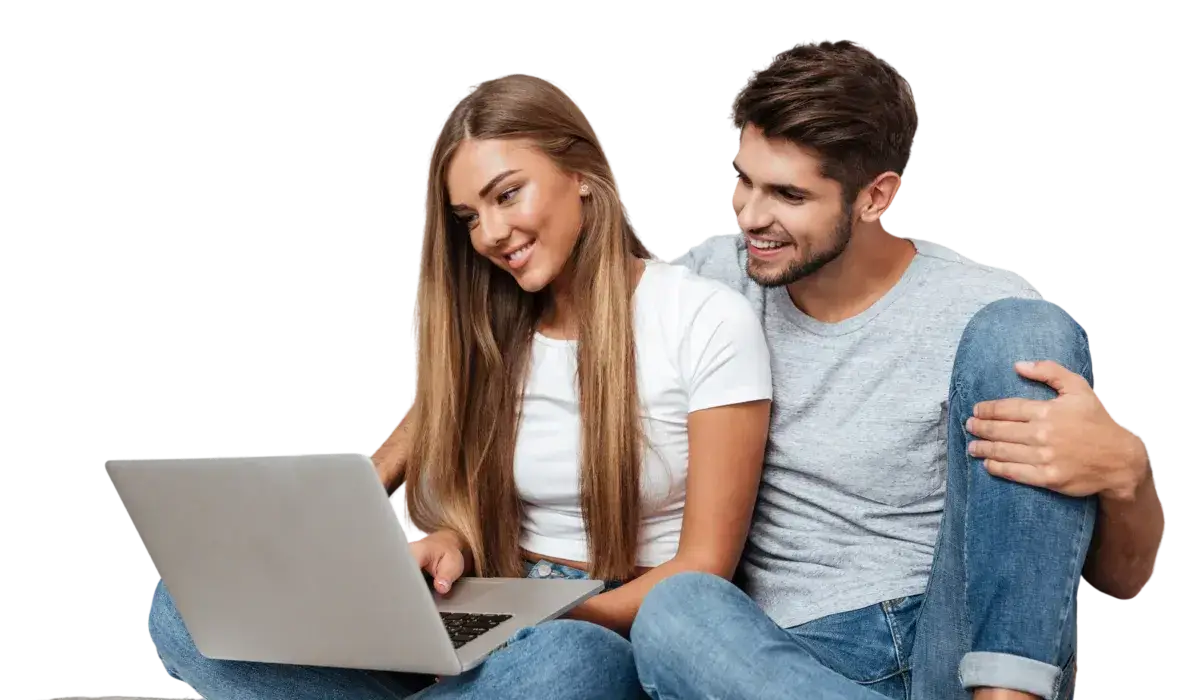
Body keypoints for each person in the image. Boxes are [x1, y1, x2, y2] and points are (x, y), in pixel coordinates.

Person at [145, 73, 775, 699]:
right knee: (188, 608)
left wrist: (548, 614)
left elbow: (703, 569)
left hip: (604, 619)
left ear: (581, 173)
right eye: (469, 217)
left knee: (571, 665)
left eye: (508, 195)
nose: (491, 234)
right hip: (487, 601)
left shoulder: (703, 319)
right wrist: (451, 550)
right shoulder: (492, 332)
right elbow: (458, 486)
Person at [629, 40, 1165, 700]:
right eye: (741, 179)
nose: (748, 217)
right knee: (676, 611)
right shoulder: (708, 284)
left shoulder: (982, 310)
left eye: (787, 194)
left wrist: (1128, 474)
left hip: (959, 642)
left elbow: (1121, 583)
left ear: (875, 196)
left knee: (1023, 330)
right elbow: (576, 302)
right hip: (786, 657)